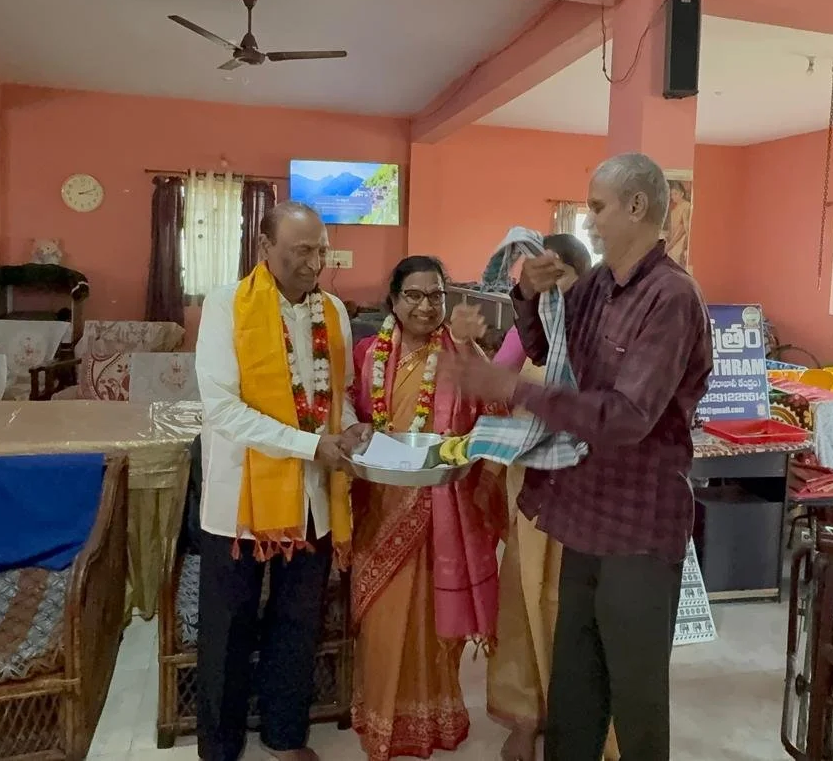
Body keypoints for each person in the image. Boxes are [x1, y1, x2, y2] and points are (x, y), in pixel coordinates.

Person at [452, 152, 714, 761]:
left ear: (636, 207)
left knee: (636, 695)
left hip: (639, 525)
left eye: (597, 207)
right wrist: (526, 292)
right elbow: (552, 345)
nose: (590, 221)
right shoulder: (599, 282)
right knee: (575, 683)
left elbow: (626, 417)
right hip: (584, 510)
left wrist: (514, 389)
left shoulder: (670, 297)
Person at [194, 201, 371, 761]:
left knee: (298, 622)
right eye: (301, 251)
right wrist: (311, 444)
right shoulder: (225, 306)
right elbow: (223, 409)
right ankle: (219, 747)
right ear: (264, 249)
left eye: (321, 249)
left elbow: (333, 396)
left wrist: (348, 430)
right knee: (229, 626)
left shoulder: (336, 312)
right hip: (239, 500)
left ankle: (284, 736)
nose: (315, 262)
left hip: (313, 498)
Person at [348, 255, 506, 761]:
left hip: (444, 511)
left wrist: (467, 348)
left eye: (435, 295)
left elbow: (497, 410)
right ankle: (379, 719)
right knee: (382, 619)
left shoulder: (460, 353)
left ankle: (434, 719)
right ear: (392, 300)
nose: (424, 306)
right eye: (412, 295)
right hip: (379, 504)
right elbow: (350, 416)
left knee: (435, 619)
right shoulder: (367, 353)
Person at [483, 234, 620, 761]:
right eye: (539, 279)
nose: (551, 289)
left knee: (580, 610)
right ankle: (524, 716)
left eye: (559, 278)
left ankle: (591, 724)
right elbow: (497, 386)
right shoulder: (531, 329)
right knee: (524, 596)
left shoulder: (606, 336)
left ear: (585, 280)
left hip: (589, 490)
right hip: (532, 485)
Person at [492, 233, 593, 372]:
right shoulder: (528, 326)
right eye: (538, 275)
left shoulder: (590, 328)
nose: (545, 284)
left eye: (557, 275)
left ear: (584, 278)